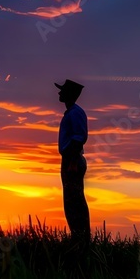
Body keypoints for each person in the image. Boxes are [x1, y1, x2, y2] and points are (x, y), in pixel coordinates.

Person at [56, 78, 91, 252]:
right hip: (71, 158)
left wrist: (71, 162)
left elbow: (79, 137)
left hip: (73, 159)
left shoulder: (75, 113)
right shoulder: (71, 112)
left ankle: (82, 240)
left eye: (62, 91)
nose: (59, 93)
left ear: (69, 94)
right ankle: (78, 238)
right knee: (71, 200)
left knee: (74, 199)